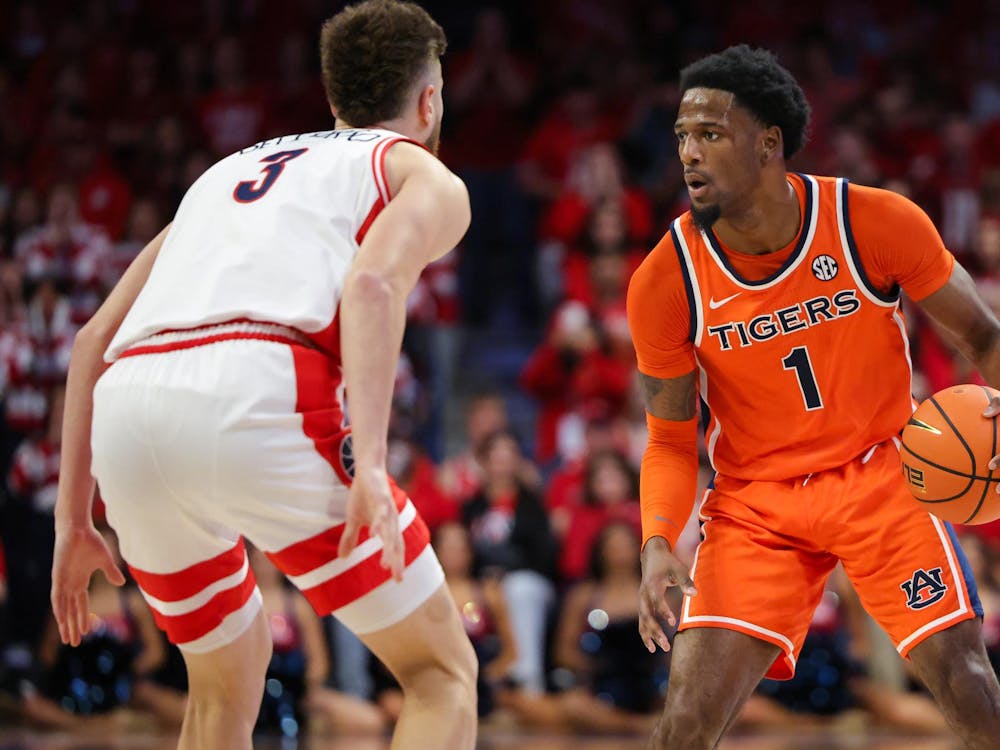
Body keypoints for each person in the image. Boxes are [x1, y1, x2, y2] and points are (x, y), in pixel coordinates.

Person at [49, 2, 477, 749]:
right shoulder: (420, 172)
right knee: (441, 673)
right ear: (430, 99)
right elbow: (372, 287)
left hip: (128, 414)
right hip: (260, 389)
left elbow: (90, 341)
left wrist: (72, 522)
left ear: (334, 98)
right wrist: (370, 464)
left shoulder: (226, 172)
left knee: (225, 681)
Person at [626, 45, 1000, 749]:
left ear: (770, 144)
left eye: (710, 133)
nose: (688, 153)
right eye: (681, 135)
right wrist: (655, 544)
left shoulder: (873, 221)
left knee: (967, 681)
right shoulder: (665, 280)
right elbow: (672, 436)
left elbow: (983, 336)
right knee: (684, 723)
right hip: (757, 502)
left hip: (884, 474)